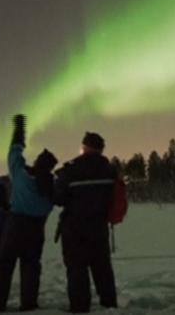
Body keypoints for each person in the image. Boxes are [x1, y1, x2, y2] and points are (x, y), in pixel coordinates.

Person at [0, 114, 58, 314]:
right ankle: (29, 306)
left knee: (4, 266)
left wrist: (19, 130)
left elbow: (14, 153)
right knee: (31, 267)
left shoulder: (21, 176)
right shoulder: (50, 187)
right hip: (37, 230)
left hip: (15, 226)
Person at [54, 132, 119, 313]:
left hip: (75, 228)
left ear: (85, 147)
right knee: (102, 267)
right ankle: (109, 304)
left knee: (77, 268)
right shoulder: (110, 170)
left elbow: (58, 198)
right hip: (99, 227)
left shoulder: (71, 170)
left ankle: (80, 307)